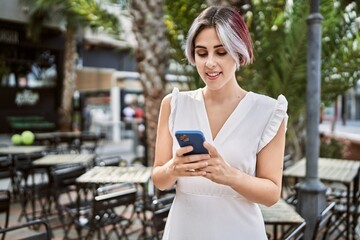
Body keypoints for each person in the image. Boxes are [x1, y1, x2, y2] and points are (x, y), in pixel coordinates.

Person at [152, 5, 288, 240]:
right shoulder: (173, 105)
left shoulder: (268, 112)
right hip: (183, 230)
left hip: (241, 231)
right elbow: (159, 180)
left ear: (239, 52)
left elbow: (271, 193)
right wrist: (173, 168)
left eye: (221, 52)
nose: (210, 63)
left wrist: (230, 175)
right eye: (201, 53)